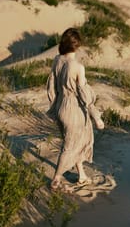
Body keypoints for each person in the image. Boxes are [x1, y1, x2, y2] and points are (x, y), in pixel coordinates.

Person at [47, 28, 104, 190]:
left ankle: (82, 176)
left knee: (76, 141)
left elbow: (51, 86)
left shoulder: (57, 60)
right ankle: (56, 178)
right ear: (77, 45)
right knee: (70, 146)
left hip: (60, 107)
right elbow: (84, 96)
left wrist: (54, 105)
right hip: (74, 110)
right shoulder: (78, 67)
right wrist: (97, 117)